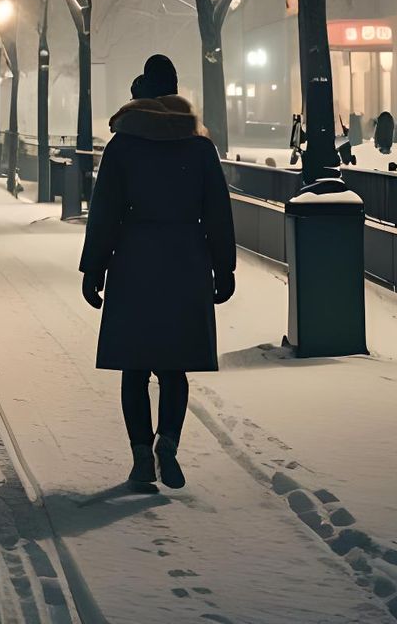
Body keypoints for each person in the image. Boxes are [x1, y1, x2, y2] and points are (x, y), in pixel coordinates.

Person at [79, 55, 236, 492]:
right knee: (174, 365)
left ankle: (140, 457)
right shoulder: (199, 147)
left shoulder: (124, 145)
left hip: (135, 259)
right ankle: (167, 442)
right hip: (186, 260)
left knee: (135, 365)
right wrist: (223, 267)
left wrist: (94, 267)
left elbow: (105, 212)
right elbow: (218, 212)